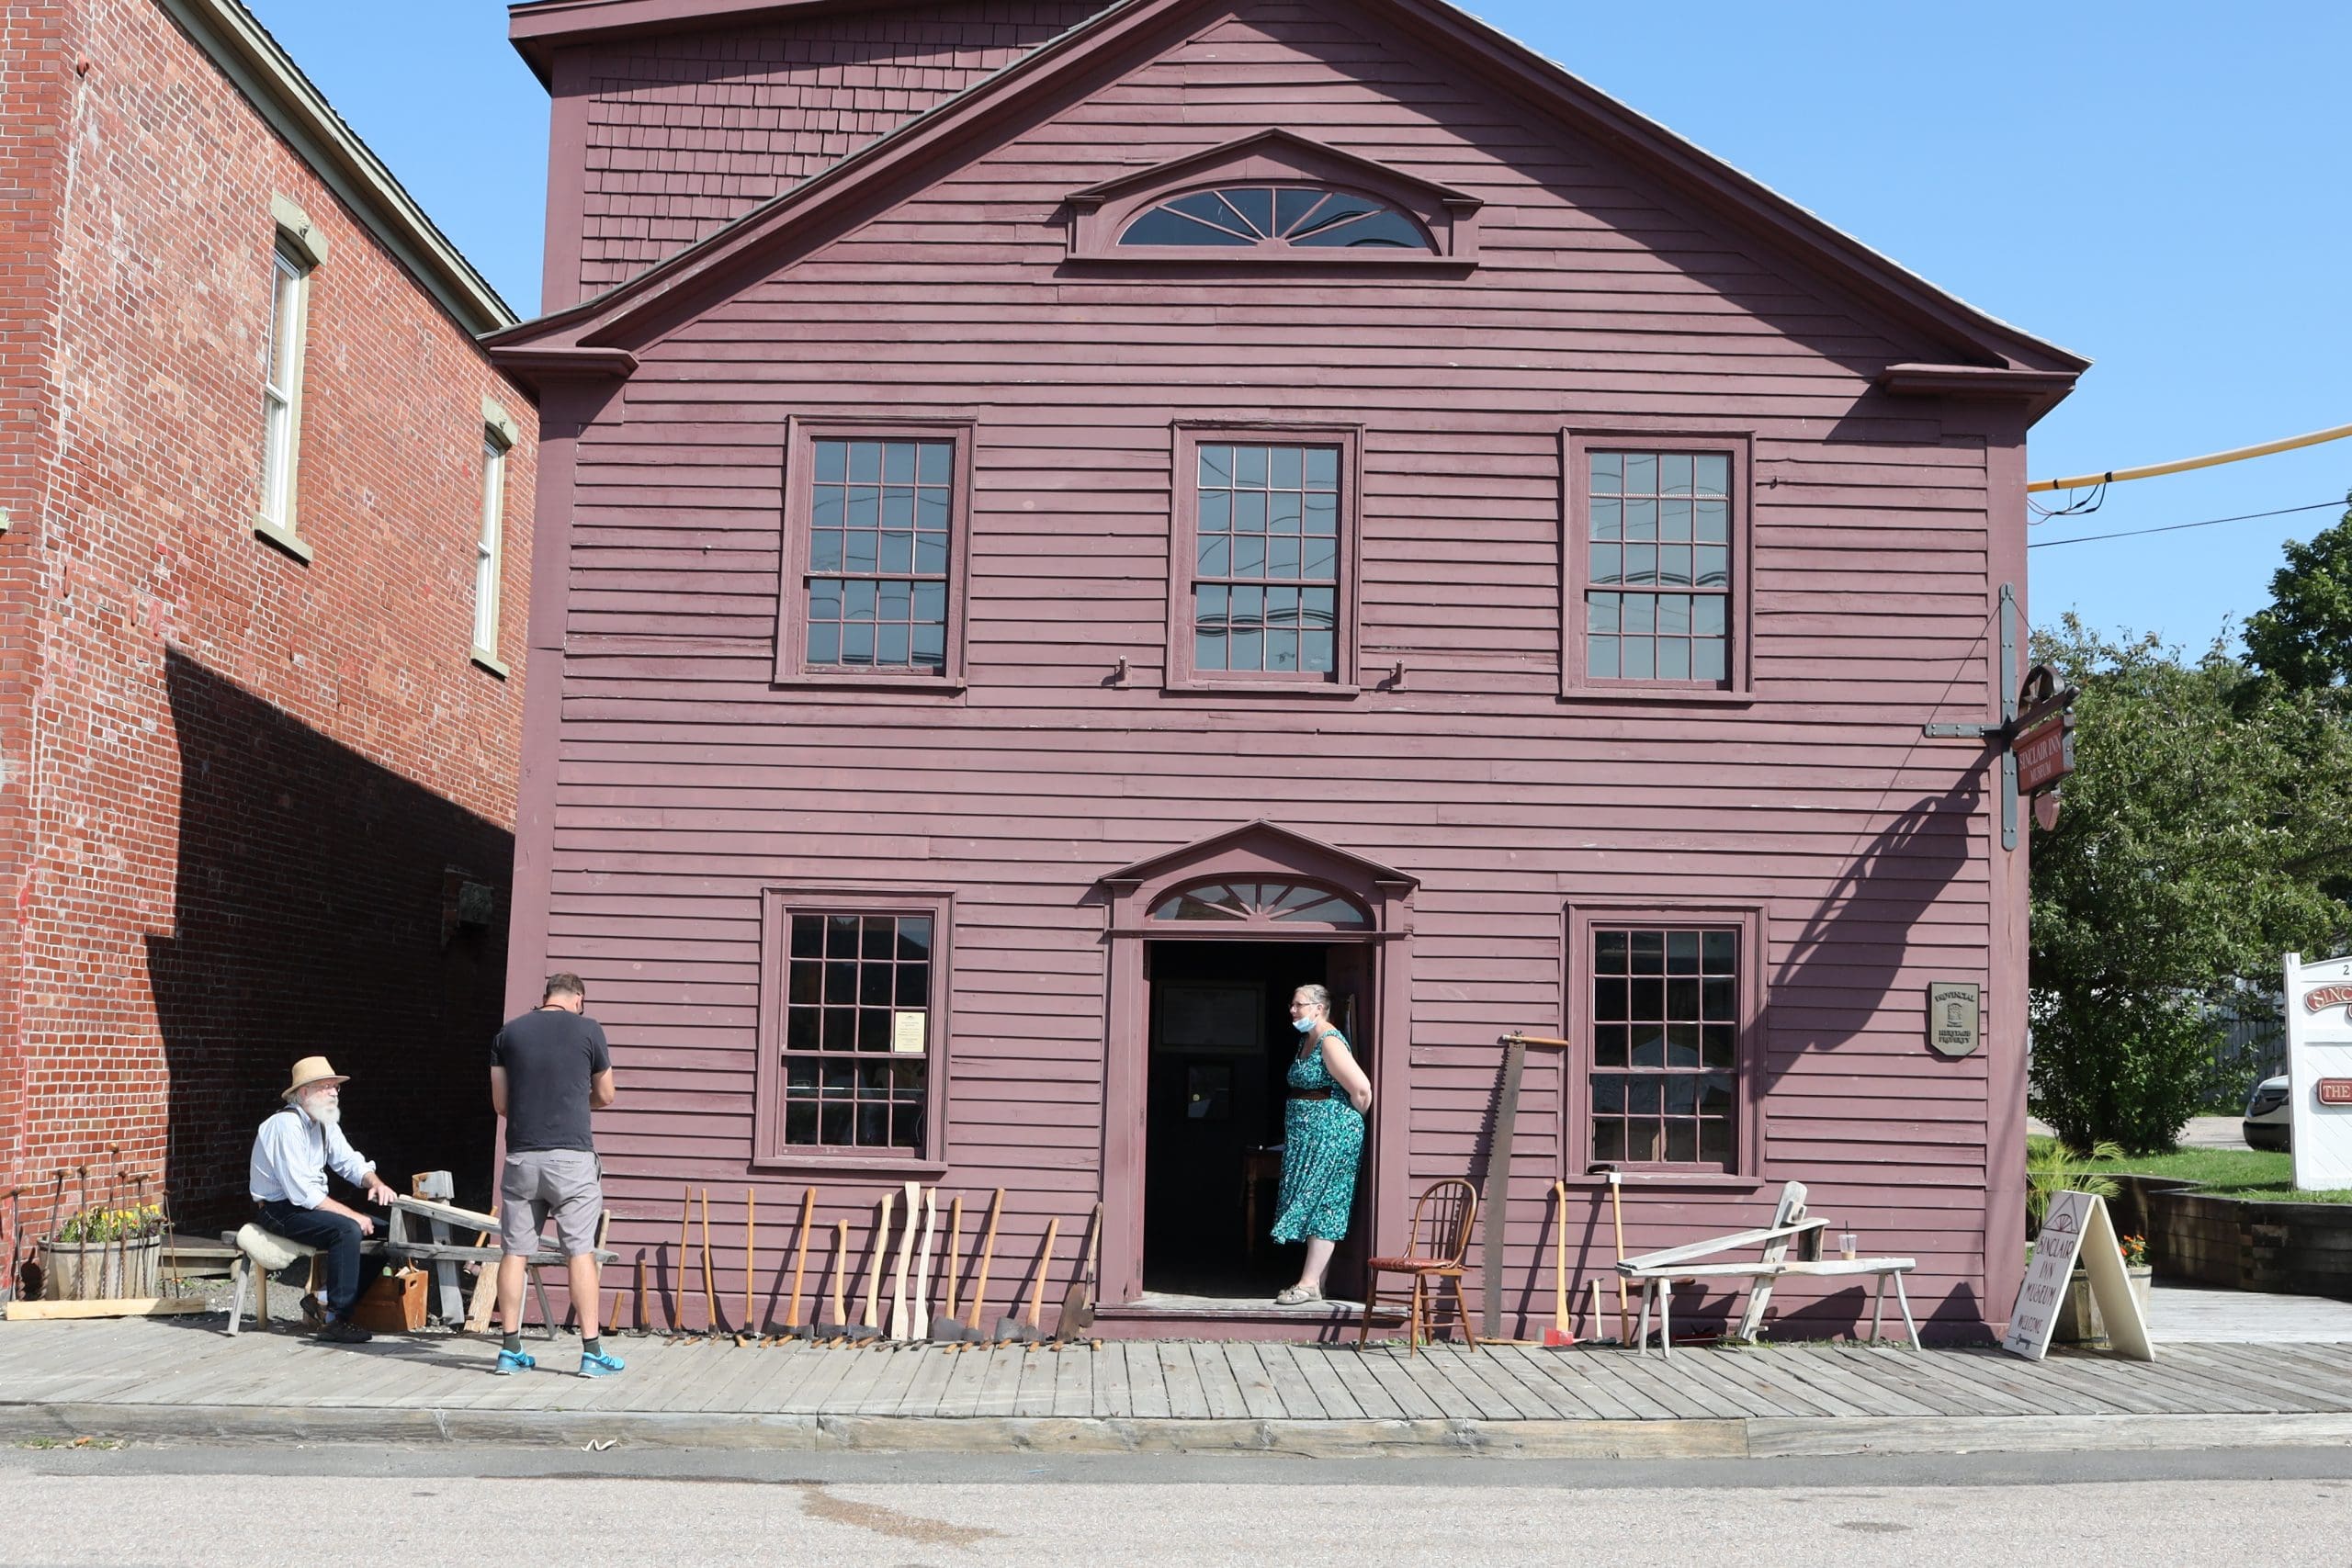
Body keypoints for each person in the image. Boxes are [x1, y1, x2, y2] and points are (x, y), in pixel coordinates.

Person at [490, 972, 621, 1377]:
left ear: (545, 996)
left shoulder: (507, 1034)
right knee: (579, 1250)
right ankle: (592, 1353)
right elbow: (607, 1094)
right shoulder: (588, 1030)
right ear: (578, 998)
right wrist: (575, 1104)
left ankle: (510, 1350)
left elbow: (500, 1103)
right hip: (571, 1159)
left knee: (514, 1252)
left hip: (522, 1158)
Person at [248, 1056, 397, 1343]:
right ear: (303, 1093)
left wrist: (375, 1182)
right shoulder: (284, 1126)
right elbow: (302, 1192)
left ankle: (323, 1300)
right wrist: (352, 1215)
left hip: (302, 1205)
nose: (333, 1093)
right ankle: (337, 1320)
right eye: (325, 1087)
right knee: (347, 1229)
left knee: (386, 1231)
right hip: (277, 1209)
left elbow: (350, 1162)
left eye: (335, 1088)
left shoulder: (324, 1122)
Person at [1270, 984, 1373, 1305]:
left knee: (1325, 1202)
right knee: (1313, 1200)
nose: (1292, 1010)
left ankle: (1308, 1282)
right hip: (1307, 1138)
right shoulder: (1306, 1040)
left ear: (1318, 1008)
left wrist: (1339, 1125)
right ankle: (1316, 1284)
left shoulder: (1329, 1042)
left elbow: (1362, 1091)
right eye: (1292, 1003)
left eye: (1298, 1004)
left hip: (1331, 1136)